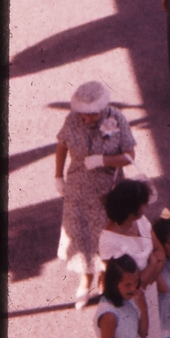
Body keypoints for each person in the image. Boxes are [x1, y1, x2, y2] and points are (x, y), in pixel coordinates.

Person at [54, 81, 136, 309]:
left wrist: (103, 160)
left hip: (108, 192)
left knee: (105, 237)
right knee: (80, 235)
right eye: (83, 114)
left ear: (103, 108)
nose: (86, 119)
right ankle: (85, 279)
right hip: (78, 190)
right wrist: (58, 177)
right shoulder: (73, 119)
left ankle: (103, 279)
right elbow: (61, 146)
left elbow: (130, 155)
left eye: (91, 115)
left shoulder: (117, 118)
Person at [98, 179, 166, 338]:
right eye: (142, 203)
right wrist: (153, 265)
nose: (146, 206)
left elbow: (159, 251)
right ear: (131, 208)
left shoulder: (141, 222)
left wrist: (150, 270)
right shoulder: (109, 241)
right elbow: (130, 285)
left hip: (149, 296)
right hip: (130, 305)